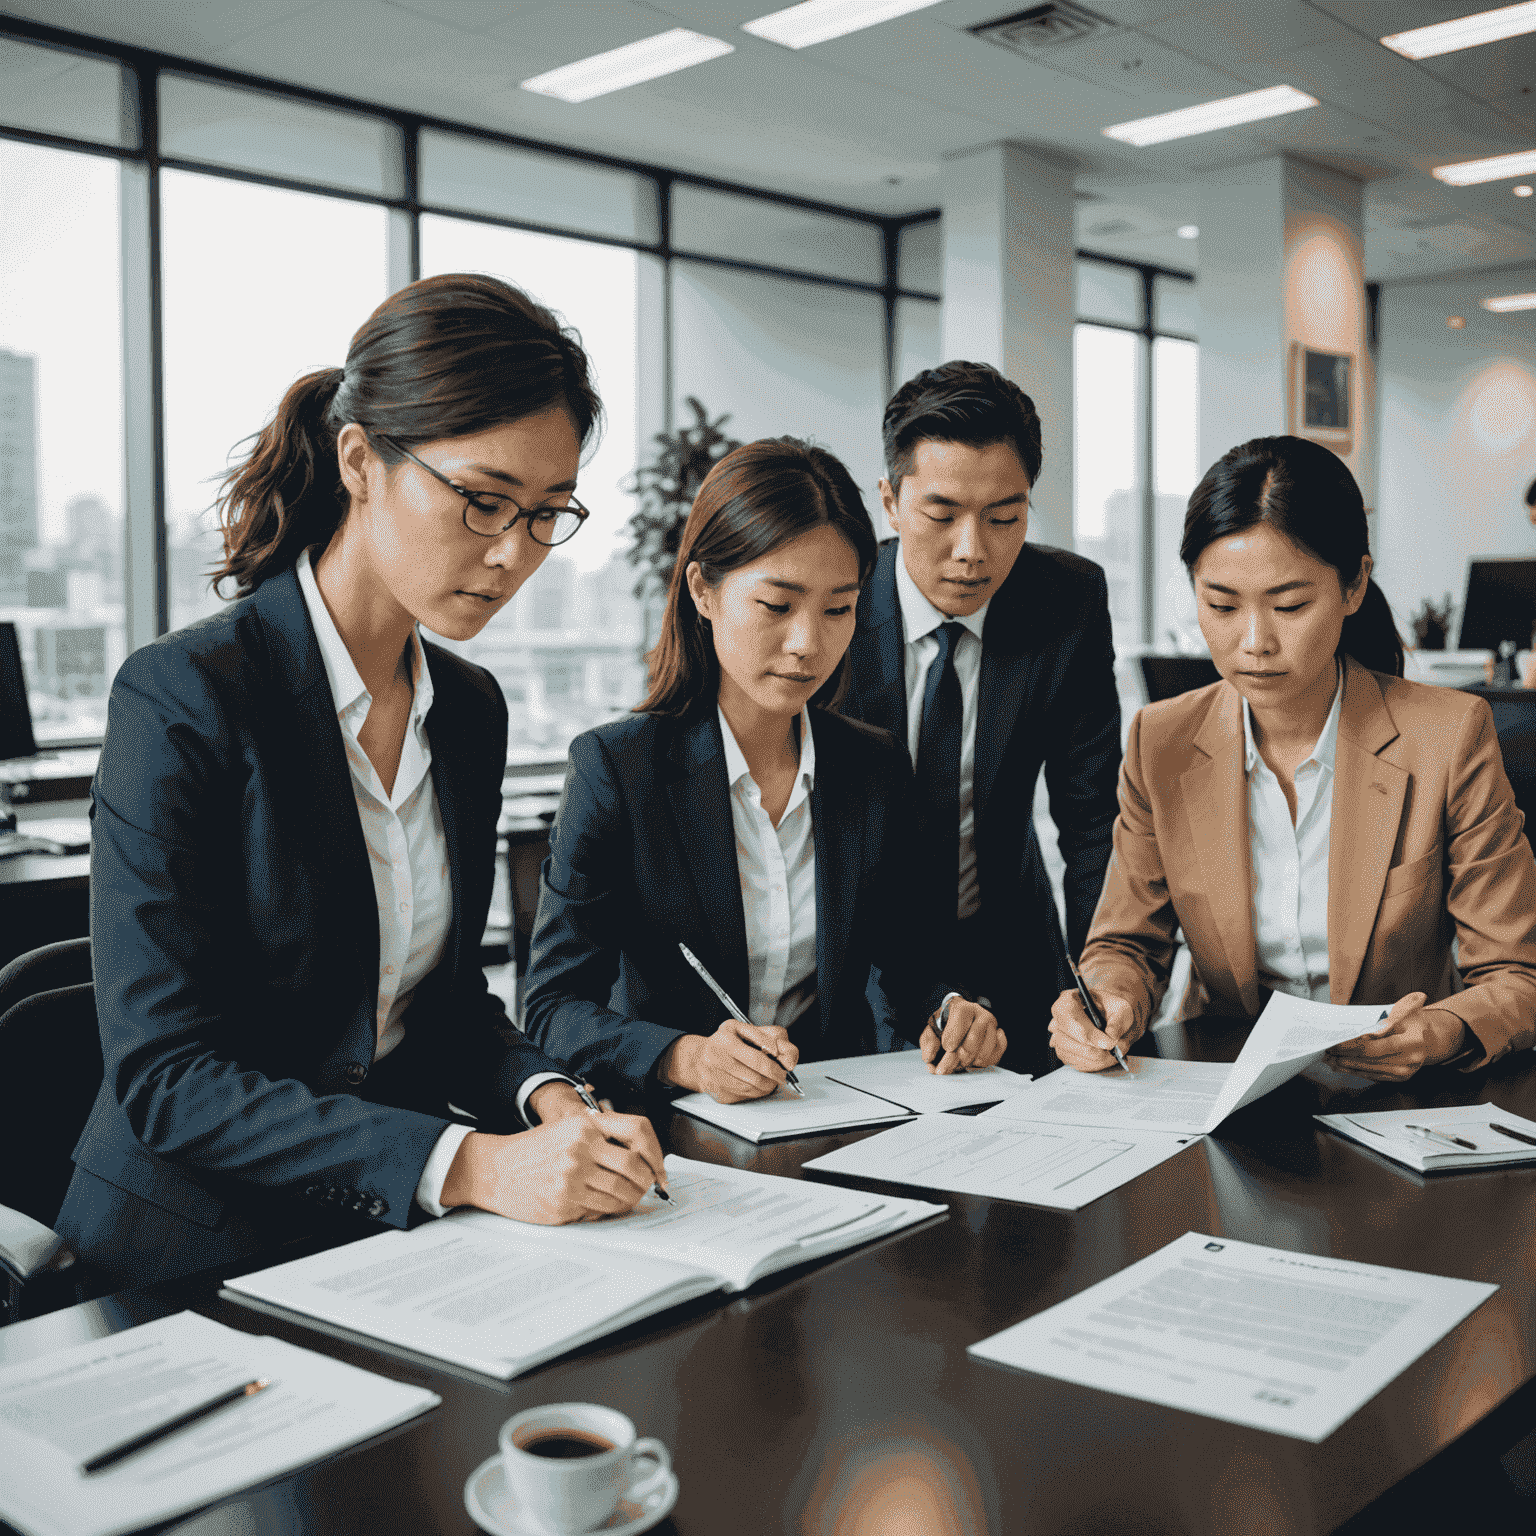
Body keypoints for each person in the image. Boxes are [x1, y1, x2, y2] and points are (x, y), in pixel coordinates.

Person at [56, 273, 666, 1291]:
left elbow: (438, 1004)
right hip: (184, 1256)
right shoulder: (186, 697)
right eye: (481, 500)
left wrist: (549, 1097)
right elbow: (167, 1077)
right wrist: (468, 1163)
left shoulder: (467, 711)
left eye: (546, 512)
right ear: (359, 461)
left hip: (387, 1245)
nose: (514, 553)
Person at [523, 438, 1004, 1103]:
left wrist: (950, 1008)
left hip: (838, 1114)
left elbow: (909, 963)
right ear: (703, 590)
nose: (809, 643)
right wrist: (686, 1057)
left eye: (839, 608)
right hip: (677, 1135)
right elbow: (552, 1008)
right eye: (777, 606)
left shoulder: (874, 765)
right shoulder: (618, 769)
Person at [1051, 434, 1536, 1080]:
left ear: (1355, 584)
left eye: (1290, 605)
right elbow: (1125, 944)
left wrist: (1444, 1029)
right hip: (1223, 1082)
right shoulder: (1159, 741)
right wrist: (1109, 997)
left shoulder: (1448, 736)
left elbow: (1515, 974)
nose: (1254, 642)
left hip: (1394, 1094)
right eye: (1221, 604)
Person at [841, 362, 1121, 1075]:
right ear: (890, 501)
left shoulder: (1067, 600)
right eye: (942, 516)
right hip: (859, 960)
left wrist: (1103, 977)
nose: (974, 550)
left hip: (1015, 953)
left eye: (1005, 518)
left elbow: (1092, 819)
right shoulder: (834, 607)